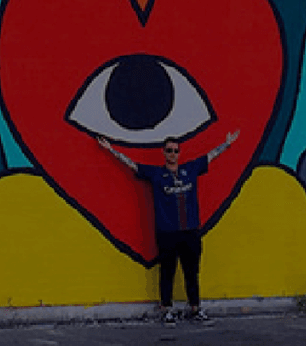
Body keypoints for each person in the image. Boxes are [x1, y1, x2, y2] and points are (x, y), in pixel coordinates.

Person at [98, 130, 239, 323]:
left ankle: (196, 308)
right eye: (169, 150)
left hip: (190, 231)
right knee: (167, 271)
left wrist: (227, 144)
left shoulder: (190, 169)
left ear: (179, 153)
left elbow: (211, 156)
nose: (172, 154)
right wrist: (111, 150)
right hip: (167, 232)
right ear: (163, 153)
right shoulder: (156, 174)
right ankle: (167, 309)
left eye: (175, 150)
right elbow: (132, 164)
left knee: (192, 271)